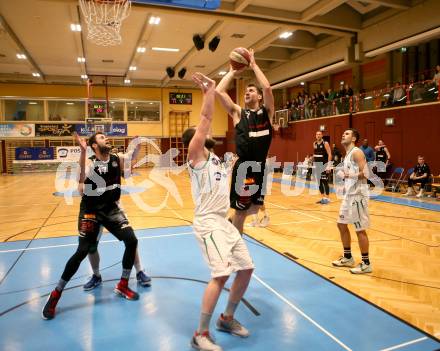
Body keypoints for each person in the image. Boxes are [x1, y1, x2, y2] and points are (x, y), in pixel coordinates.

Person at [182, 73, 254, 351]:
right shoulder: (196, 155)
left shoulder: (215, 160)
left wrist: (235, 167)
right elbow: (206, 119)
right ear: (196, 140)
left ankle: (227, 318)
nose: (208, 133)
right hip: (207, 224)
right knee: (221, 274)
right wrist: (209, 93)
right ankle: (200, 334)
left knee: (246, 268)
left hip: (222, 222)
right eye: (202, 133)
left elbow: (223, 185)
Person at [42, 132, 141, 320]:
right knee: (83, 250)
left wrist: (137, 147)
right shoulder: (89, 163)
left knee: (131, 240)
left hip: (111, 209)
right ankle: (56, 294)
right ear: (94, 146)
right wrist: (82, 151)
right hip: (91, 211)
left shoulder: (116, 159)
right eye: (102, 138)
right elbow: (80, 188)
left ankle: (123, 284)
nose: (107, 139)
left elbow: (129, 163)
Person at [215, 48, 274, 235]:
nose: (247, 93)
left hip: (261, 167)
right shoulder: (238, 113)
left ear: (259, 97)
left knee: (255, 208)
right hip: (245, 167)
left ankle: (232, 222)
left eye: (251, 91)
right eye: (246, 91)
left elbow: (268, 87)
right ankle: (235, 252)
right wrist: (232, 71)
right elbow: (219, 91)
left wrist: (254, 65)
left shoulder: (267, 113)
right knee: (241, 212)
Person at [333, 129, 372, 274]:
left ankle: (366, 263)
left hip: (358, 196)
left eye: (347, 133)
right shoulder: (347, 155)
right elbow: (348, 175)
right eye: (342, 133)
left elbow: (366, 173)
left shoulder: (357, 152)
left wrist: (350, 174)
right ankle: (348, 257)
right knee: (341, 224)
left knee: (359, 229)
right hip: (349, 195)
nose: (343, 134)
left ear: (354, 138)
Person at [313, 131, 332, 204]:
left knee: (325, 182)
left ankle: (327, 198)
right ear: (315, 136)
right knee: (319, 183)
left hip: (324, 165)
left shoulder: (325, 143)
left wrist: (329, 165)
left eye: (319, 134)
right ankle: (323, 198)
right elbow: (316, 155)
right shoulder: (314, 144)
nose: (318, 135)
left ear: (322, 135)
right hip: (317, 166)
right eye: (317, 134)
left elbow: (330, 154)